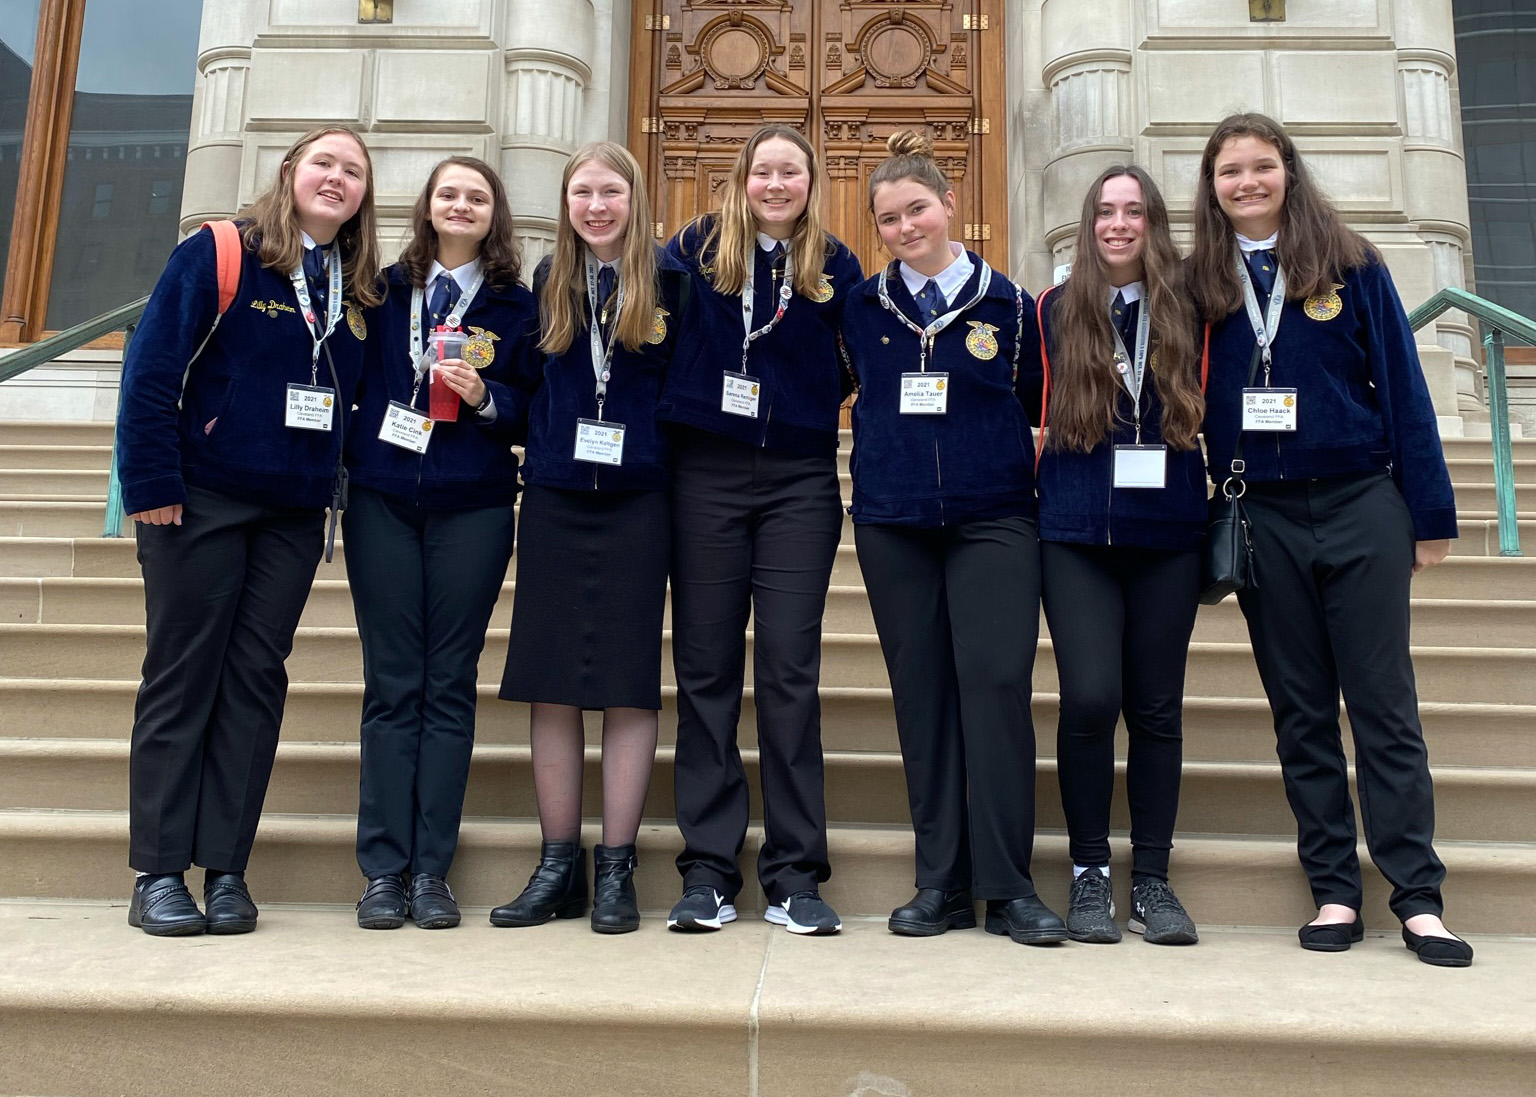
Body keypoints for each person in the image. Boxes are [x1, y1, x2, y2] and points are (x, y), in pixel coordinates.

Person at [1190, 112, 1470, 966]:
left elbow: (1405, 391)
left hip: (1360, 504)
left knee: (1384, 707)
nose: (1246, 182)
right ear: (1211, 186)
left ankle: (1418, 896)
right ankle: (1335, 890)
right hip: (1262, 515)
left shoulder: (1350, 264)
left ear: (1288, 171)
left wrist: (1430, 514)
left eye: (1260, 166)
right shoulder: (1198, 283)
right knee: (1301, 712)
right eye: (1229, 171)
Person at [116, 126, 380, 936]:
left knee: (256, 683)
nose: (336, 178)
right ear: (291, 171)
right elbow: (151, 368)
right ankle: (160, 873)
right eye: (324, 162)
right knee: (183, 676)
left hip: (293, 513)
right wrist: (151, 482)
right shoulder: (222, 251)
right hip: (200, 500)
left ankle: (227, 867)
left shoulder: (356, 287)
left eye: (353, 171)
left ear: (364, 195)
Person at [838, 131, 1060, 945]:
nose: (905, 228)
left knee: (996, 687)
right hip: (894, 522)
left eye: (917, 210)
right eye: (889, 218)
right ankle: (940, 882)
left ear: (950, 204)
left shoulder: (1013, 306)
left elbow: (1039, 403)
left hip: (993, 518)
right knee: (922, 696)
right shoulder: (860, 308)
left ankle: (1009, 886)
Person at [657, 124, 862, 935]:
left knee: (788, 673)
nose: (777, 184)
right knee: (705, 670)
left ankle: (795, 873)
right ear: (742, 178)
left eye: (791, 172)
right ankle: (708, 870)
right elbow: (652, 334)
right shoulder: (693, 249)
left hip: (797, 483)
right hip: (704, 476)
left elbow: (855, 361)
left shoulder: (835, 264)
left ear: (811, 183)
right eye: (764, 171)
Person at [491, 141, 687, 935]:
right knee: (552, 681)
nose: (597, 206)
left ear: (635, 198)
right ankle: (557, 865)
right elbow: (524, 388)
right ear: (566, 203)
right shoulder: (549, 282)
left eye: (611, 192)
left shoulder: (674, 283)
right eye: (583, 193)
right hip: (556, 497)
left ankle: (616, 867)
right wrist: (481, 400)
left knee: (628, 682)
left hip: (641, 500)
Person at [345, 156, 539, 931]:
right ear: (428, 206)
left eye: (477, 196)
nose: (461, 205)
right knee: (394, 682)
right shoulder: (380, 291)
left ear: (495, 215)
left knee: (450, 682)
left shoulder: (517, 306)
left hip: (475, 506)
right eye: (448, 193)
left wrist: (488, 397)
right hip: (383, 501)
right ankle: (382, 870)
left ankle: (432, 870)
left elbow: (538, 408)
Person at [1035, 165, 1205, 946]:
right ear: (1088, 222)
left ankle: (1154, 879)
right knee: (1090, 697)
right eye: (1105, 210)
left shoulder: (1192, 307)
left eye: (1134, 211)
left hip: (1167, 530)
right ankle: (1090, 870)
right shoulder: (1052, 309)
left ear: (1153, 223)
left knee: (1157, 707)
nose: (1119, 224)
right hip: (1076, 531)